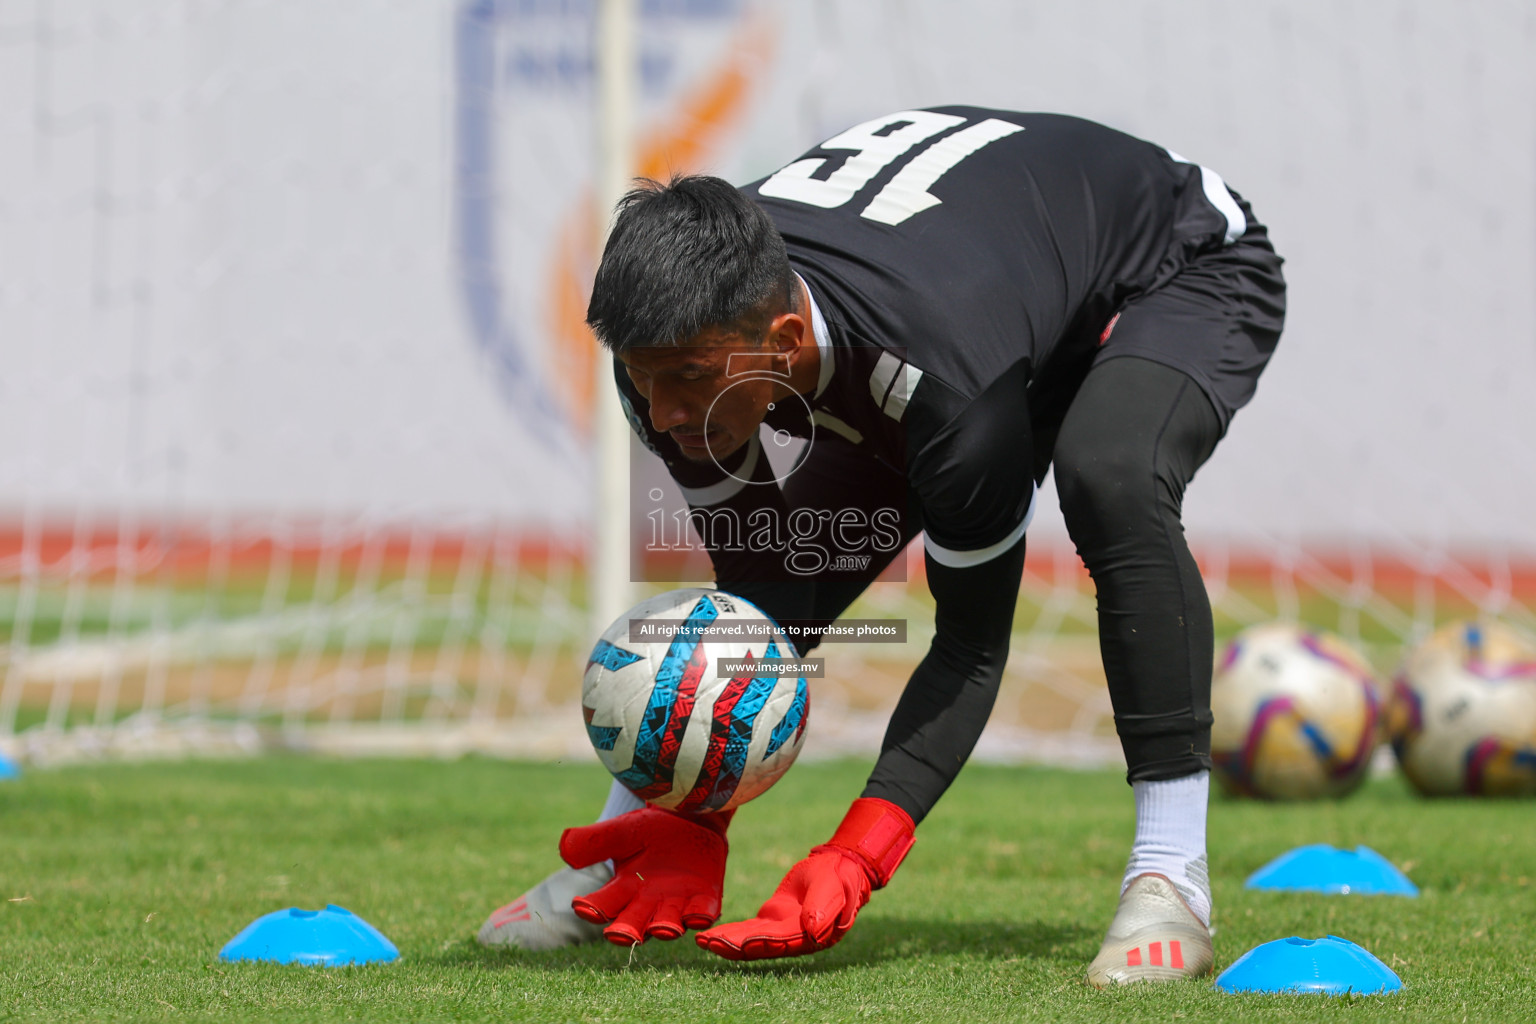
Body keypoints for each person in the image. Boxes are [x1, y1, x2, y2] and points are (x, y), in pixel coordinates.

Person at [477, 106, 1285, 986]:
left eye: (689, 382)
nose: (664, 413)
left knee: (1109, 474)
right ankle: (621, 852)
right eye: (643, 380)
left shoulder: (940, 381)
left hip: (1176, 264)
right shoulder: (678, 331)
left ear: (783, 344)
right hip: (983, 296)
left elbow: (972, 645)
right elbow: (755, 595)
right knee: (774, 593)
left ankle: (1171, 875)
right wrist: (686, 814)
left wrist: (860, 852)